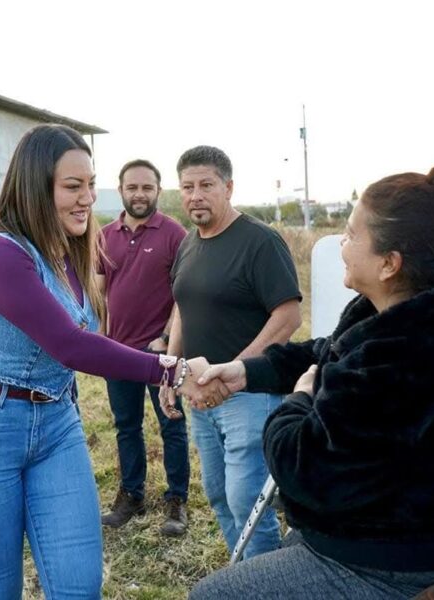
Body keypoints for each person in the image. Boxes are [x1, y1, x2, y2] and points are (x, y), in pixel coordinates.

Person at [188, 165, 434, 599]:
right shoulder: (412, 317)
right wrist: (245, 372)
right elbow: (327, 352)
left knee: (212, 596)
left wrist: (298, 402)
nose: (341, 245)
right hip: (385, 539)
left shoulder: (413, 359)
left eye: (350, 234)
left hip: (408, 566)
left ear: (389, 263)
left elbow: (304, 470)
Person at [0, 125, 225, 600]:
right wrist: (175, 370)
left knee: (78, 586)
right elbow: (69, 344)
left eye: (90, 184)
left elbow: (87, 335)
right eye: (72, 186)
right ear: (34, 186)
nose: (88, 197)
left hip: (57, 425)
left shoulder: (69, 250)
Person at [163, 145, 303, 558]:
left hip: (249, 396)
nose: (195, 195)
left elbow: (289, 315)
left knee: (249, 503)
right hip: (202, 396)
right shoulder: (188, 244)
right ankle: (242, 576)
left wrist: (237, 368)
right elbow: (182, 309)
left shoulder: (259, 242)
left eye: (206, 185)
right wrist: (172, 372)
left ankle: (266, 580)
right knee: (219, 496)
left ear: (228, 187)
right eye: (187, 187)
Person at [97, 159, 190, 536]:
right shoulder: (104, 234)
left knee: (171, 423)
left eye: (147, 188)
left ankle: (177, 500)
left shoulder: (174, 234)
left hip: (160, 351)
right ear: (120, 190)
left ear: (158, 191)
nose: (139, 194)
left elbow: (184, 295)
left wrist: (166, 337)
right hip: (117, 352)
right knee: (126, 427)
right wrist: (100, 339)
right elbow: (98, 292)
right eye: (132, 187)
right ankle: (132, 495)